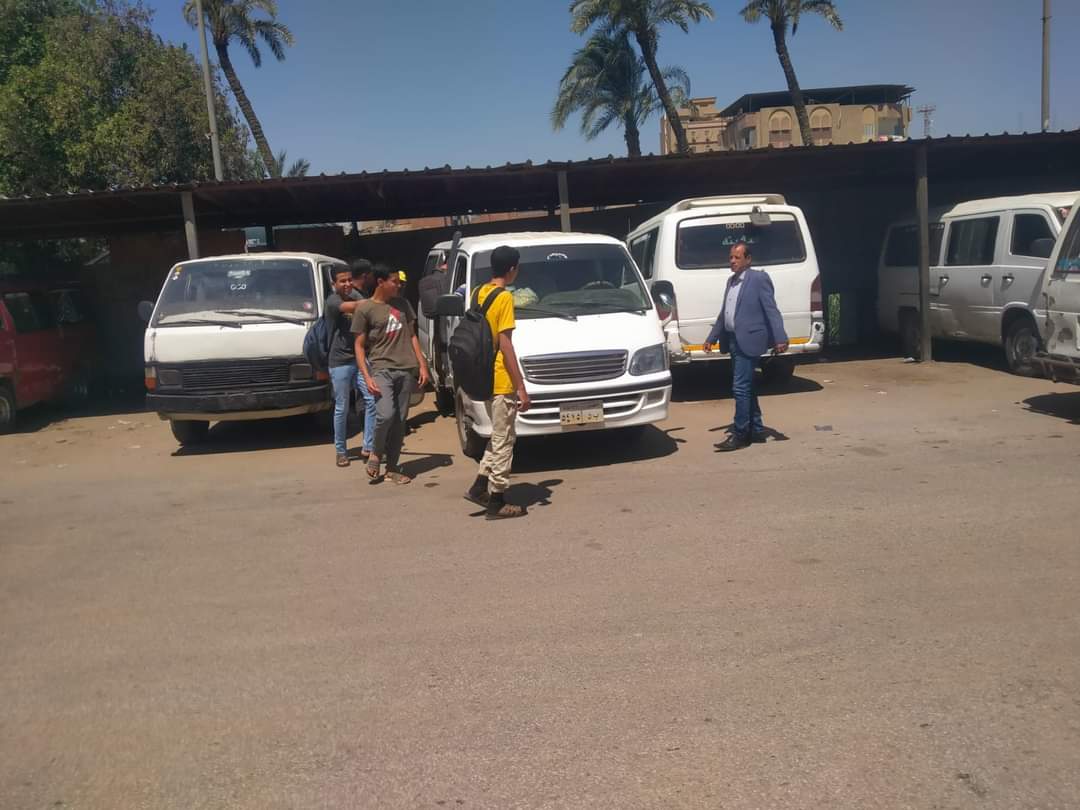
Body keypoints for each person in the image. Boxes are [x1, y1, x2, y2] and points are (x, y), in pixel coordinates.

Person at [463, 245, 531, 520]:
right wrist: (521, 386)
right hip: (501, 379)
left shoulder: (478, 292)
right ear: (512, 268)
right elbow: (506, 346)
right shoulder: (504, 298)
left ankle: (479, 487)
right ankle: (497, 501)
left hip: (481, 376)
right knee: (504, 441)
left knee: (498, 435)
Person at [702, 242, 788, 451]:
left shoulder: (758, 279)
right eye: (731, 257)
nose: (732, 261)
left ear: (748, 259)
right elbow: (725, 313)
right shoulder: (731, 282)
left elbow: (771, 309)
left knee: (740, 387)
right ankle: (756, 430)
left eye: (737, 257)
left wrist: (780, 338)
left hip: (750, 340)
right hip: (733, 340)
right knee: (747, 386)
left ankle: (740, 434)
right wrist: (712, 338)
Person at [352, 265, 430, 484]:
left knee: (399, 421)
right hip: (381, 369)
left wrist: (422, 365)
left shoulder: (403, 305)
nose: (398, 285)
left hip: (406, 370)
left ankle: (393, 468)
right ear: (380, 282)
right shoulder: (365, 309)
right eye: (394, 281)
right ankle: (376, 453)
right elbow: (359, 345)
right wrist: (367, 376)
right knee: (385, 414)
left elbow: (412, 336)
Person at [325, 265, 363, 467]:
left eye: (349, 280)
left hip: (359, 358)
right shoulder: (333, 301)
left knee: (371, 400)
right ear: (334, 284)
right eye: (342, 281)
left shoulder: (355, 294)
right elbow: (355, 307)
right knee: (342, 407)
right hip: (339, 361)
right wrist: (378, 300)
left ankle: (369, 446)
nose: (347, 284)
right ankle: (341, 451)